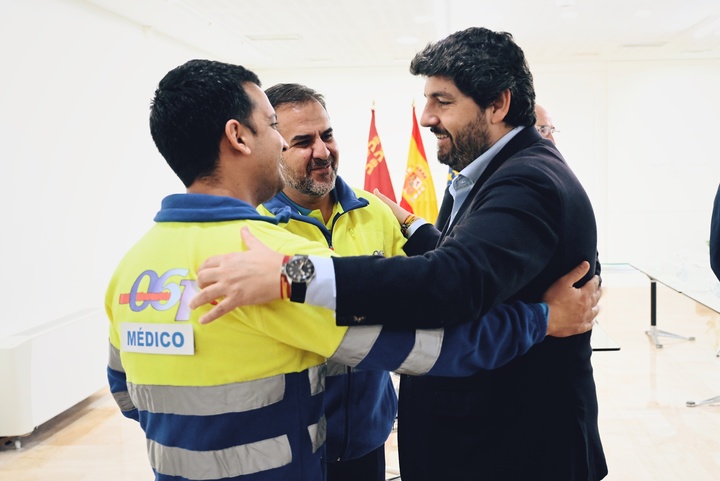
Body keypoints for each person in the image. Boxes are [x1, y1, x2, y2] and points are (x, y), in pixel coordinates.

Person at [106, 58, 600, 481]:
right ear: (237, 136)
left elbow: (125, 392)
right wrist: (542, 319)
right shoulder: (267, 259)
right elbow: (432, 346)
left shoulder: (134, 264)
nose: (289, 146)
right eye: (276, 129)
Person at [260, 83, 402, 480]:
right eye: (303, 141)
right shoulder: (255, 225)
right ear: (274, 147)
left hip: (367, 437)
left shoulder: (374, 210)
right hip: (293, 446)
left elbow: (416, 295)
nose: (322, 151)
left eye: (328, 135)